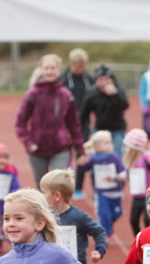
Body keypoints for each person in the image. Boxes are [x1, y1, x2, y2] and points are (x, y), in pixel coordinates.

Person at [16, 54, 86, 188]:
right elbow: (20, 123)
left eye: (53, 68)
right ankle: (44, 209)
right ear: (41, 70)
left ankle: (58, 210)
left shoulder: (66, 95)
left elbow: (74, 125)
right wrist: (28, 142)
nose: (49, 71)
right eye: (46, 68)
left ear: (58, 70)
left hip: (61, 148)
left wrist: (80, 150)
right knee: (42, 187)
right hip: (37, 149)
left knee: (58, 185)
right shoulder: (32, 95)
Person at [60, 48, 95, 200]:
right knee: (65, 157)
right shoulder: (63, 80)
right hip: (65, 124)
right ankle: (65, 187)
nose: (81, 69)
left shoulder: (89, 80)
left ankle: (79, 188)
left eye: (83, 66)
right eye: (78, 66)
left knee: (82, 155)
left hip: (84, 124)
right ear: (71, 64)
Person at [80, 130, 126, 237]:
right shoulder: (94, 158)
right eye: (106, 143)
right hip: (101, 192)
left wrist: (113, 178)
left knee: (117, 213)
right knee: (104, 214)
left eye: (110, 142)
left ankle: (108, 225)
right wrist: (82, 163)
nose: (110, 145)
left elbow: (123, 173)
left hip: (116, 191)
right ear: (97, 147)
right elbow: (86, 168)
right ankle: (105, 235)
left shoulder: (114, 157)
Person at [80, 64, 130, 156]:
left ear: (111, 80)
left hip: (117, 130)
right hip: (99, 129)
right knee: (96, 156)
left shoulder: (118, 91)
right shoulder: (92, 93)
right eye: (100, 80)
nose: (103, 82)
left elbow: (125, 105)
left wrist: (115, 94)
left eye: (106, 79)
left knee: (116, 156)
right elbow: (84, 114)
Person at [123, 128, 150, 236]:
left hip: (149, 196)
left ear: (133, 147)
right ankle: (139, 239)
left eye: (127, 146)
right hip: (137, 195)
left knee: (147, 220)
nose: (125, 148)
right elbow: (125, 175)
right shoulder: (129, 161)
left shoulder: (145, 156)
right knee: (133, 220)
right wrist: (113, 178)